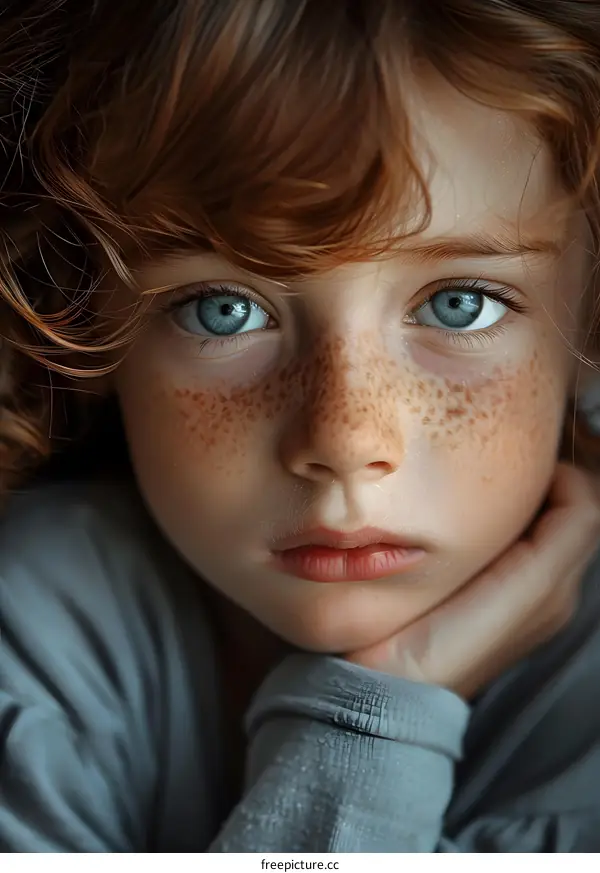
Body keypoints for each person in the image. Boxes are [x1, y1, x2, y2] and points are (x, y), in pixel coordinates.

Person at [1, 0, 600, 853]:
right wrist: (375, 722)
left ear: (591, 320)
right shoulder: (37, 638)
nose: (344, 438)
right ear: (95, 322)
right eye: (222, 310)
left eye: (459, 304)